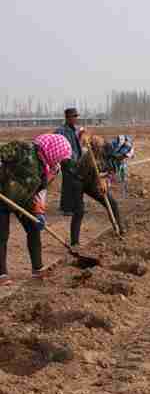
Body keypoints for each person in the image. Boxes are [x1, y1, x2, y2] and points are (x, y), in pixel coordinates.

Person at [0, 134, 73, 286]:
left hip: (23, 199)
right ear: (53, 149)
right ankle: (2, 274)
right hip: (2, 195)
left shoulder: (50, 168)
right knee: (1, 235)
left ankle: (37, 268)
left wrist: (39, 212)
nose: (60, 160)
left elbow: (41, 190)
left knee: (34, 228)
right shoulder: (23, 149)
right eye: (59, 156)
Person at [62, 134, 133, 248]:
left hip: (92, 182)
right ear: (118, 150)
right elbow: (91, 146)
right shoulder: (99, 146)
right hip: (78, 180)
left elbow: (108, 173)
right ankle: (74, 243)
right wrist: (89, 141)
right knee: (79, 211)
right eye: (123, 155)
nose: (124, 158)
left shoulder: (115, 160)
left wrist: (104, 180)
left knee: (112, 203)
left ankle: (119, 229)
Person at [55, 108, 85, 216]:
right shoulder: (61, 131)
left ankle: (75, 206)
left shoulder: (74, 129)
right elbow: (60, 146)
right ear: (67, 118)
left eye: (76, 116)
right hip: (67, 161)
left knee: (76, 184)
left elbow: (77, 145)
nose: (76, 118)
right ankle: (67, 209)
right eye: (74, 116)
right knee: (68, 185)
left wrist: (80, 135)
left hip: (76, 160)